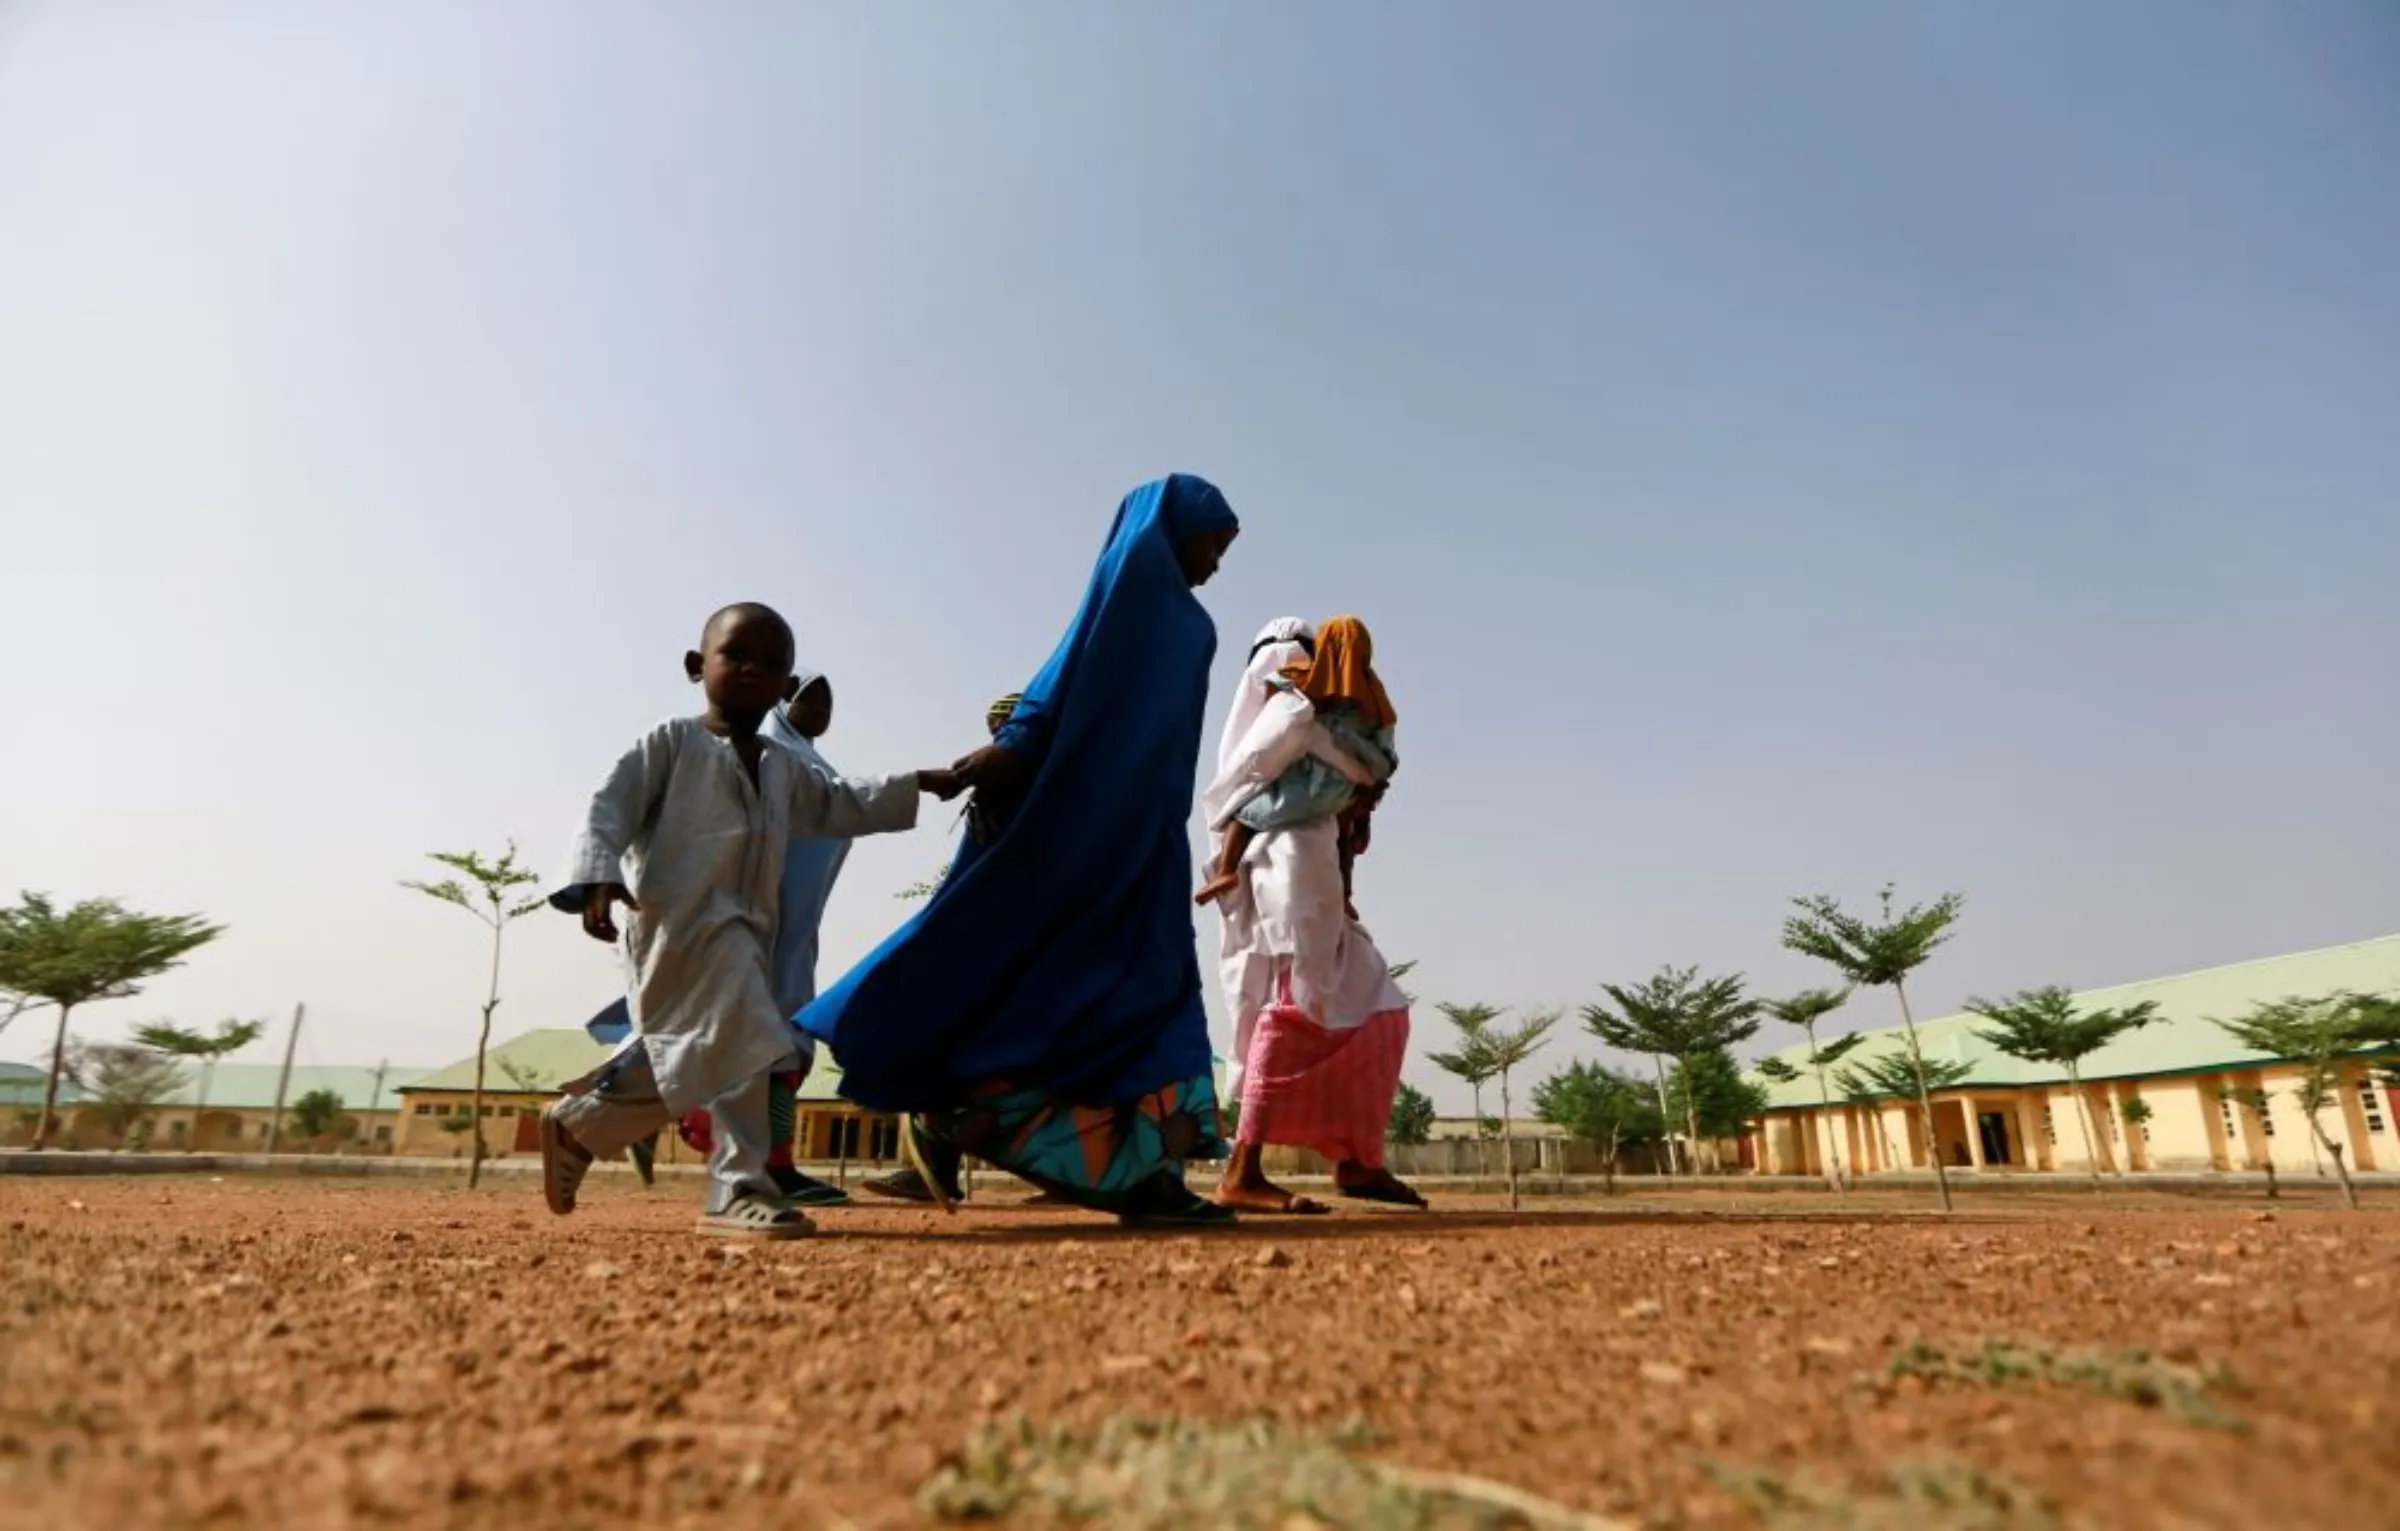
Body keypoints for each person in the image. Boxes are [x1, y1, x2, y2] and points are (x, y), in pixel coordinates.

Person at [798, 474, 1241, 1226]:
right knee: (1049, 982)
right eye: (1213, 543)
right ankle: (1058, 1150)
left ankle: (1142, 1169)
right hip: (1078, 834)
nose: (1217, 563)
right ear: (1171, 532)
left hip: (1147, 839)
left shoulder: (1195, 628)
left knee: (1150, 986)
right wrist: (1013, 748)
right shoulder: (1122, 606)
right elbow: (1056, 683)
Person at [539, 602, 964, 1239]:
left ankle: (583, 1125)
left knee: (707, 1049)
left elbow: (840, 803)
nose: (751, 671)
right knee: (753, 1039)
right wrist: (598, 874)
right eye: (735, 655)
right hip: (677, 926)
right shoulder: (669, 743)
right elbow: (607, 809)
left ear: (780, 686)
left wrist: (926, 781)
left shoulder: (782, 766)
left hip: (745, 931)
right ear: (695, 665)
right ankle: (738, 1189)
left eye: (771, 666)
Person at [566, 667, 856, 1208]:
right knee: (735, 1038)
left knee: (781, 1040)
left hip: (789, 932)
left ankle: (756, 1165)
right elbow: (621, 809)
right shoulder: (734, 752)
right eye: (810, 699)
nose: (821, 711)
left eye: (828, 702)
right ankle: (756, 1171)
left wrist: (922, 784)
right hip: (725, 922)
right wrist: (598, 873)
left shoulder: (806, 770)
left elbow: (848, 814)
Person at [1204, 614, 1424, 1214]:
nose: (1280, 670)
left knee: (1379, 1001)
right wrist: (1228, 864)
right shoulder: (1288, 714)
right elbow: (1236, 799)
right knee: (1290, 1004)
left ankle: (1357, 1159)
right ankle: (1241, 1170)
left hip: (1317, 868)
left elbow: (1347, 806)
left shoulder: (1337, 722)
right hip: (1279, 873)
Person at [1194, 617, 1396, 907]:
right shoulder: (1374, 705)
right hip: (1337, 799)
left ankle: (1225, 871)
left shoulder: (1303, 696)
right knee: (1342, 839)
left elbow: (1266, 745)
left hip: (1300, 798)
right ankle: (1346, 897)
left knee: (1242, 814)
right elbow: (1384, 757)